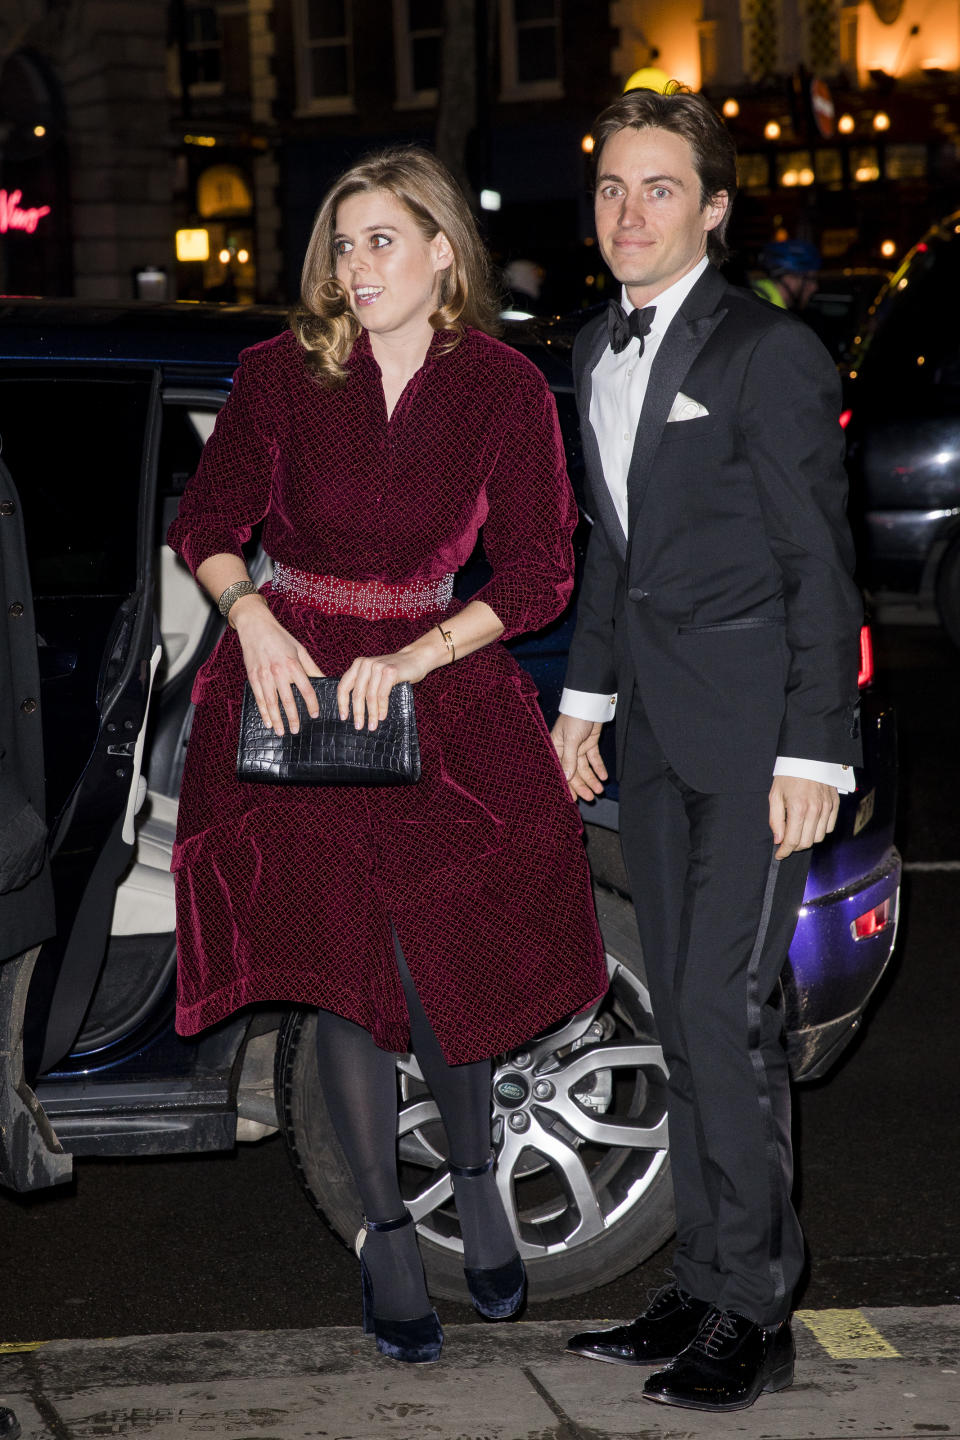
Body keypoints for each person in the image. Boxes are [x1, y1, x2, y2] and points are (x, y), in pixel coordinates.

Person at [166, 146, 608, 1364]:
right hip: (295, 685)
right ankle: (387, 1236)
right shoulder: (279, 372)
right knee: (353, 967)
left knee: (440, 955)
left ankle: (469, 1175)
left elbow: (538, 572)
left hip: (438, 682)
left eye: (379, 241)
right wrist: (249, 616)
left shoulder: (508, 388)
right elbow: (206, 521)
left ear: (441, 254)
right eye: (342, 243)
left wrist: (414, 655)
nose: (354, 267)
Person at [551, 88, 862, 1413]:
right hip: (659, 739)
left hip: (754, 745)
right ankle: (704, 1274)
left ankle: (758, 1310)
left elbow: (820, 568)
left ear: (716, 208)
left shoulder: (764, 352)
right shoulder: (590, 351)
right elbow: (615, 553)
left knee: (730, 1021)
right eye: (614, 187)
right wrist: (584, 701)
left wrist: (815, 752)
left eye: (660, 187)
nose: (630, 211)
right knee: (679, 1013)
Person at [752, 238, 821, 312]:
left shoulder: (765, 301)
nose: (814, 287)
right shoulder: (761, 307)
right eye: (811, 279)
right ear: (790, 277)